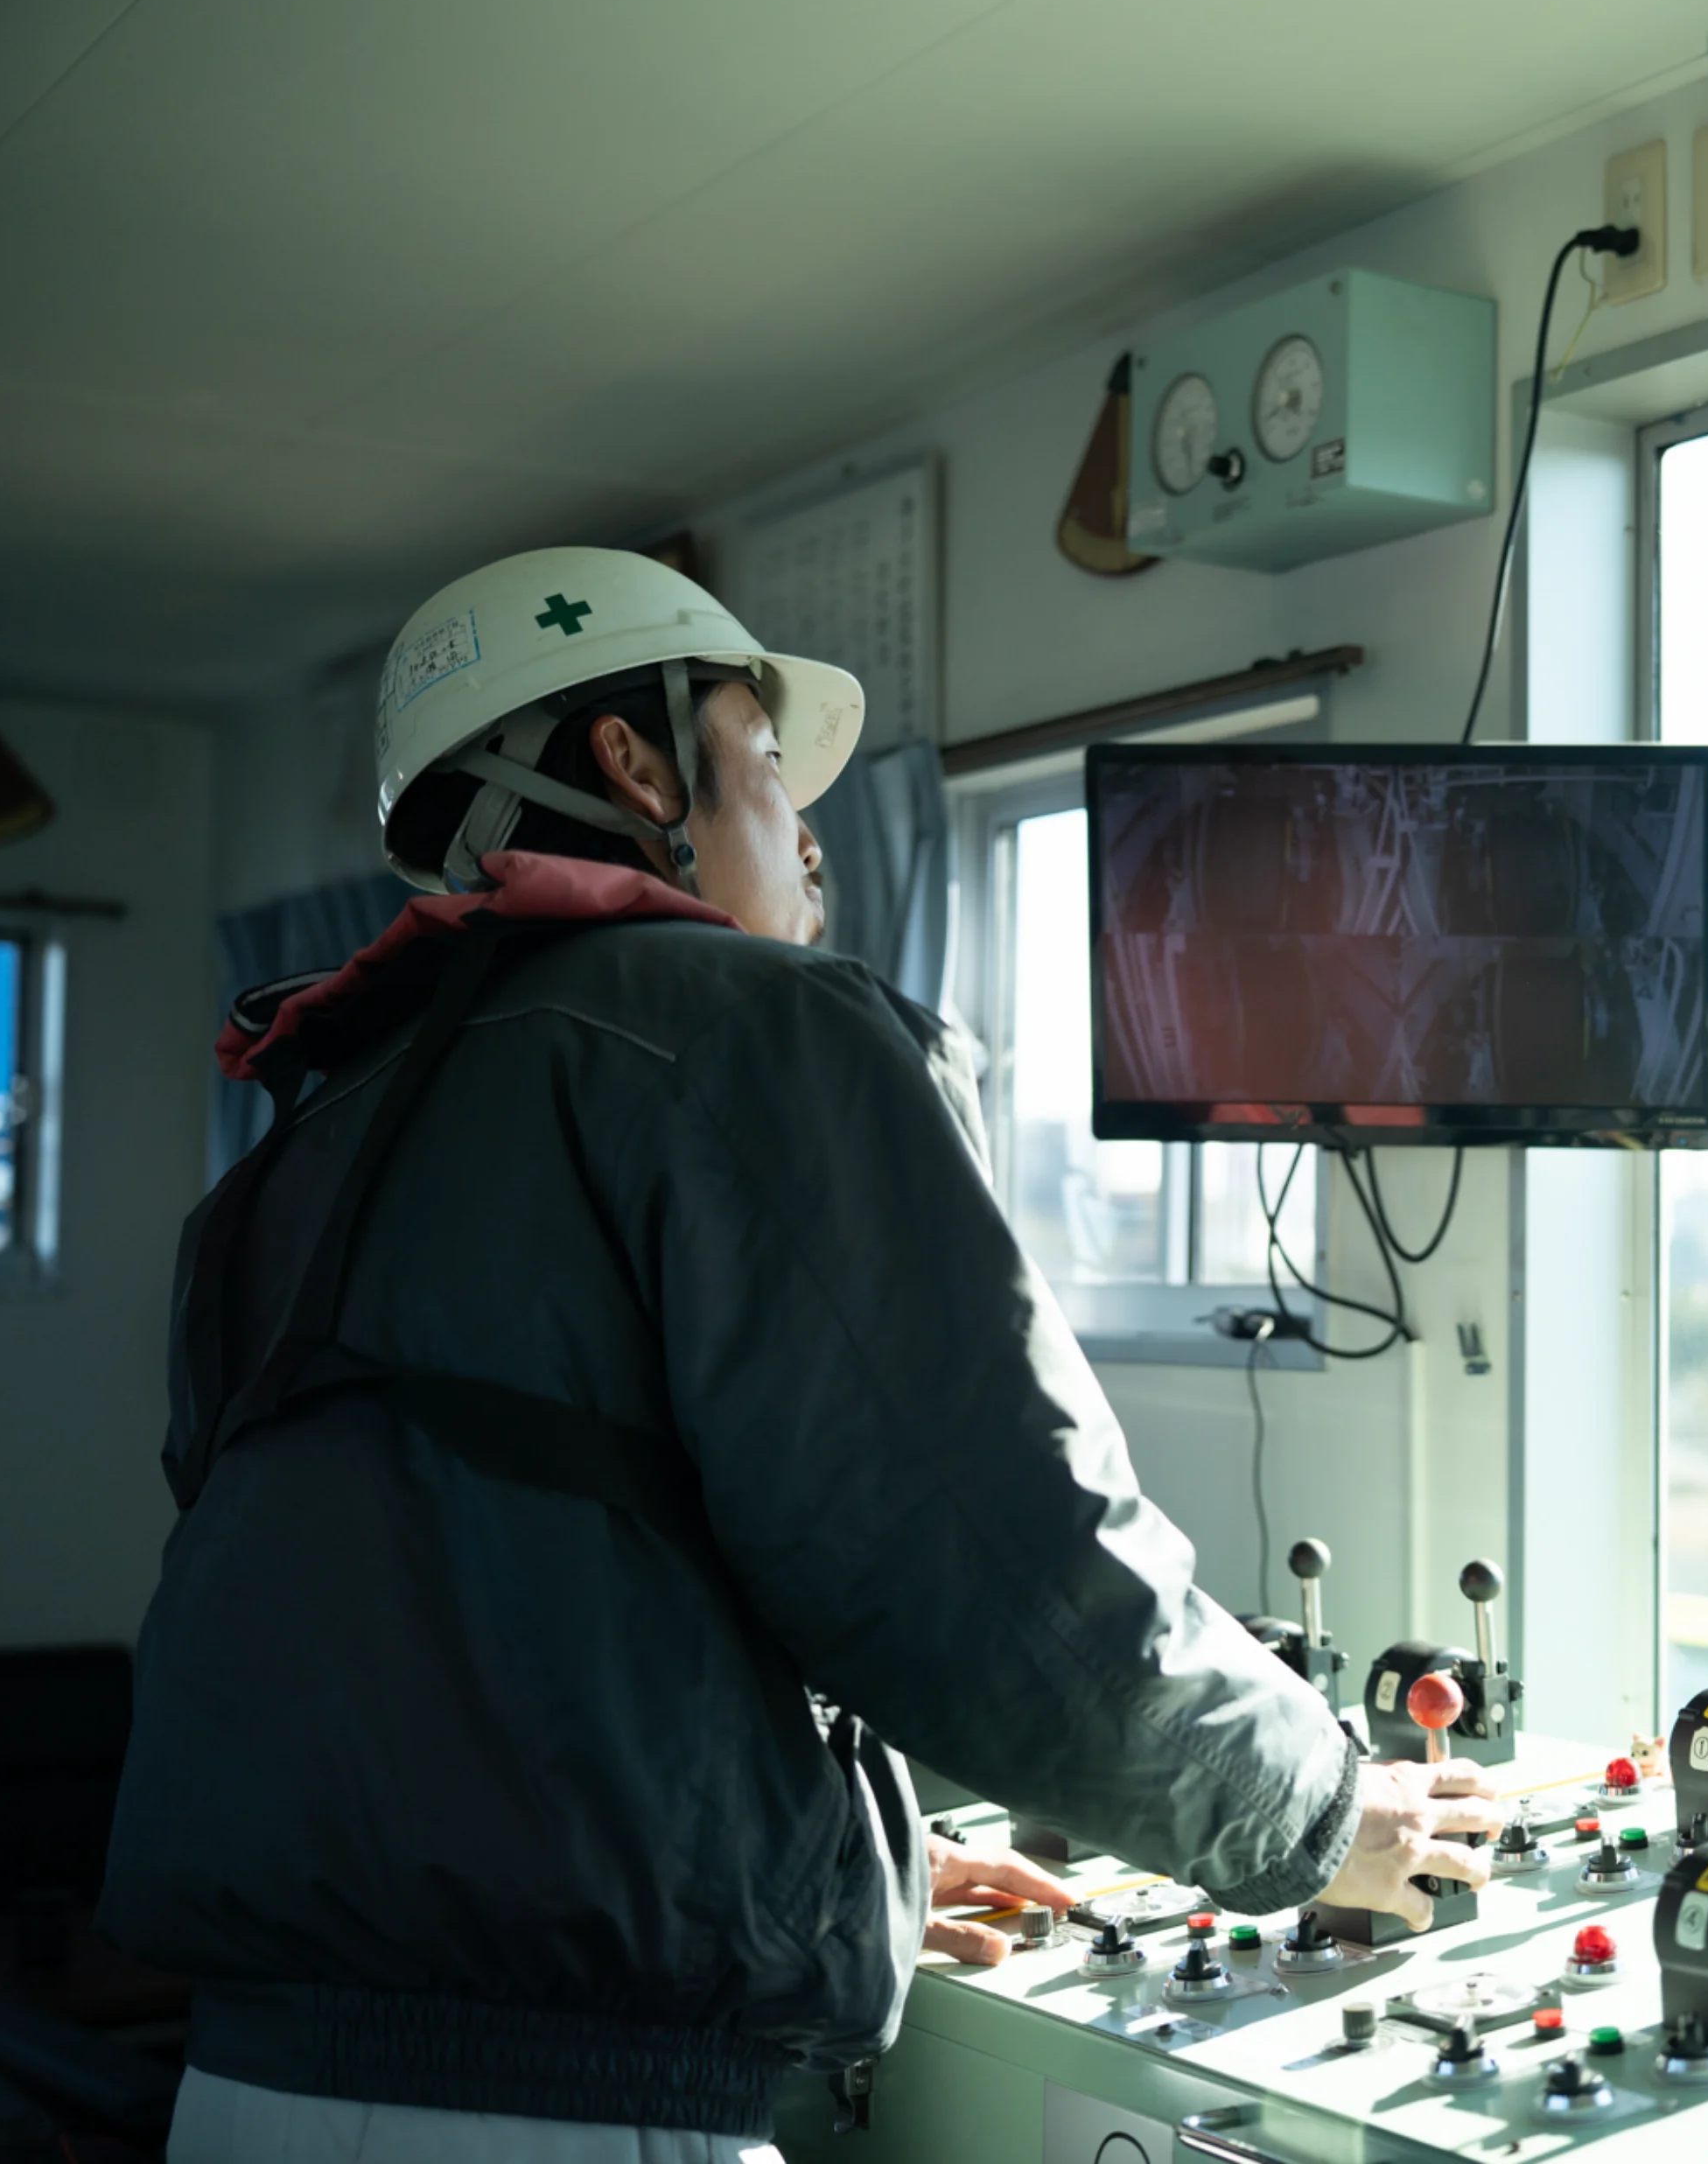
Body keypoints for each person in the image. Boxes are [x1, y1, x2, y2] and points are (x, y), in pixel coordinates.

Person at [101, 547, 1496, 2163]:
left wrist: (841, 1869)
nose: (811, 832)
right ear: (636, 766)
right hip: (570, 2111)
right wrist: (1320, 1811)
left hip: (244, 2089)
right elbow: (998, 1567)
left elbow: (468, 1625)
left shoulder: (305, 1139)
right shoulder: (756, 1029)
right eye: (763, 757)